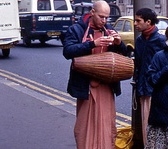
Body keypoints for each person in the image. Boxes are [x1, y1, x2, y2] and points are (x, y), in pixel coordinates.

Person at [62, 1, 127, 148]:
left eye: (106, 18)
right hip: (86, 87)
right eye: (101, 17)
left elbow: (124, 54)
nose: (104, 21)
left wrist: (118, 43)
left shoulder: (108, 29)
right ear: (92, 13)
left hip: (106, 86)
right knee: (85, 126)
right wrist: (93, 44)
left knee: (107, 124)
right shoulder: (77, 29)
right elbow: (68, 51)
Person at [132, 7, 167, 147]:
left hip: (157, 89)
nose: (135, 23)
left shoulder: (161, 41)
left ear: (148, 22)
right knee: (146, 124)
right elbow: (139, 65)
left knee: (159, 126)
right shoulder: (140, 40)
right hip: (143, 89)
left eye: (138, 20)